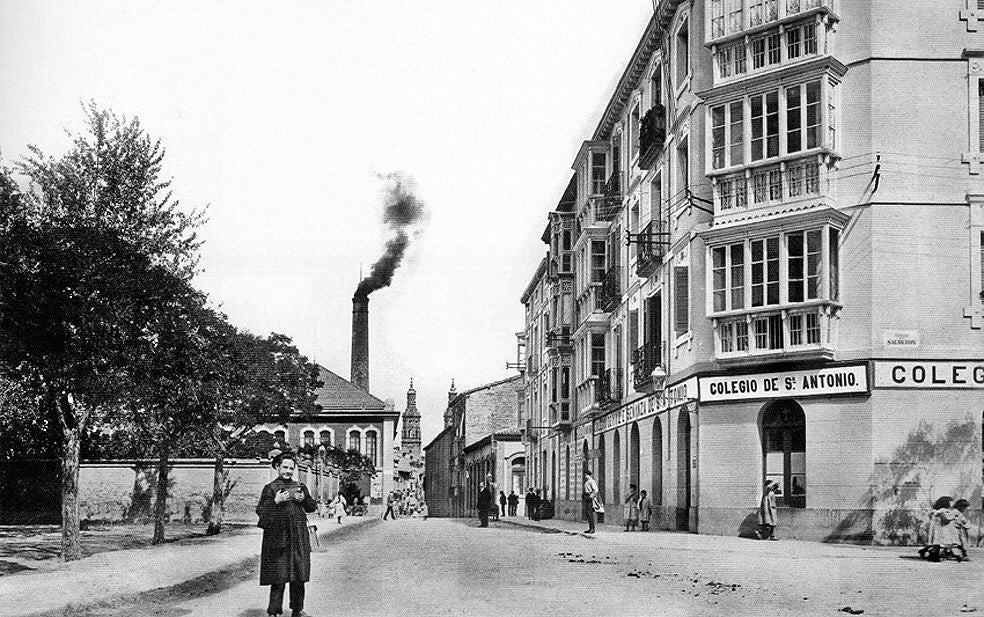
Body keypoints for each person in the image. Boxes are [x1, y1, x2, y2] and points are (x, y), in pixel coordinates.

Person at [256, 452, 317, 617]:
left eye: (291, 468)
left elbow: (312, 506)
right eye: (285, 467)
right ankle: (274, 611)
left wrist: (303, 499)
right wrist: (275, 501)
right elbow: (261, 512)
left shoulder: (299, 486)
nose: (288, 471)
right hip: (278, 538)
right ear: (277, 467)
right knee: (279, 576)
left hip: (298, 537)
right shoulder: (270, 488)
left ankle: (297, 609)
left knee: (299, 574)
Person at [583, 470, 599, 534]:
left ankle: (592, 528)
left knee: (590, 513)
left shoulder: (592, 481)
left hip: (590, 498)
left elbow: (596, 490)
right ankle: (590, 528)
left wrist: (590, 497)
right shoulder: (588, 482)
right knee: (588, 514)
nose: (586, 476)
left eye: (586, 475)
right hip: (586, 497)